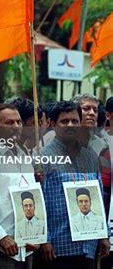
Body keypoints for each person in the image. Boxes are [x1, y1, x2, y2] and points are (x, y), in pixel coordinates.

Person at [40, 101, 109, 269]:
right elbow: (39, 201)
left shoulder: (90, 157)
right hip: (57, 246)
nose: (70, 125)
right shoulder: (42, 157)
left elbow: (98, 197)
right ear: (52, 124)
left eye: (75, 121)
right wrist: (45, 238)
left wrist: (103, 235)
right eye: (64, 121)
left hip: (88, 245)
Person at [0, 103, 37, 269]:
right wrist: (1, 236)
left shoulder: (26, 156)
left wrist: (36, 234)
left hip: (27, 246)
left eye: (19, 122)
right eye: (9, 123)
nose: (16, 127)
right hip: (0, 246)